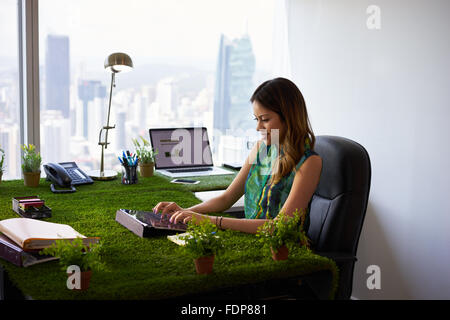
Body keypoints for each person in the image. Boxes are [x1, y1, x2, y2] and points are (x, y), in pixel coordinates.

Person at [153, 77, 322, 234]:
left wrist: (210, 221)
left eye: (265, 119)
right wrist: (185, 211)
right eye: (256, 119)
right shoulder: (261, 149)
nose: (258, 127)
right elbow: (226, 198)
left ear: (289, 117)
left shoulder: (309, 162)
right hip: (253, 239)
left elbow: (278, 226)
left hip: (284, 250)